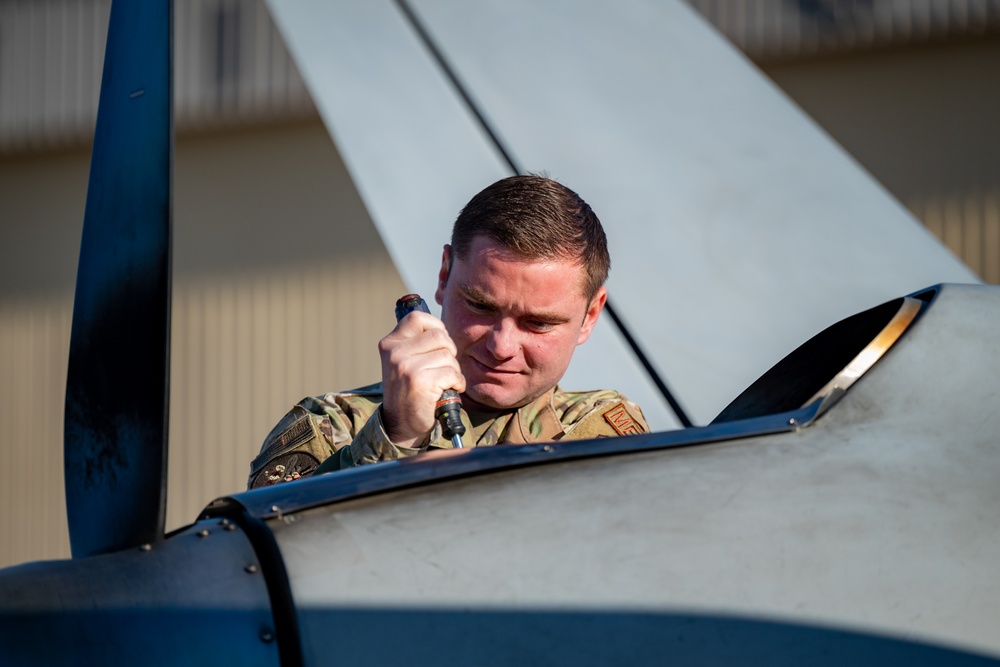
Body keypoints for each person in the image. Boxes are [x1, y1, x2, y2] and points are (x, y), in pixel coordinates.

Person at [248, 175, 648, 488]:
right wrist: (398, 438)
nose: (501, 346)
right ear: (444, 276)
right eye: (480, 306)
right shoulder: (328, 428)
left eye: (538, 323)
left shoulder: (602, 431)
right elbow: (280, 561)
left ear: (591, 315)